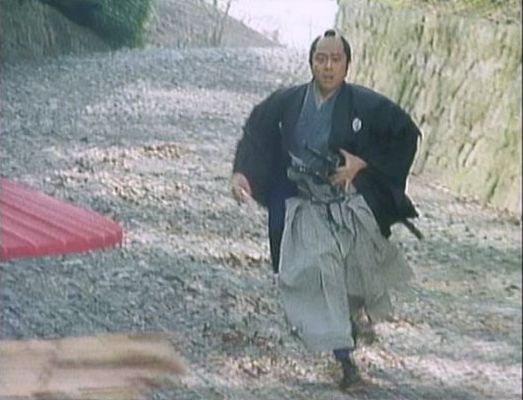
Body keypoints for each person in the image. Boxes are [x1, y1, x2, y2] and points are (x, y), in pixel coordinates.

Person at [231, 29, 421, 390]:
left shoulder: (365, 104)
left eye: (336, 59)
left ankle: (350, 324)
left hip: (346, 202)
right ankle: (345, 361)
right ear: (311, 63)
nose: (328, 66)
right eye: (321, 58)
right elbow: (257, 131)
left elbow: (406, 134)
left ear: (347, 65)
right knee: (321, 270)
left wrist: (362, 163)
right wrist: (242, 172)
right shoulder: (288, 101)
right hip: (303, 201)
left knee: (354, 271)